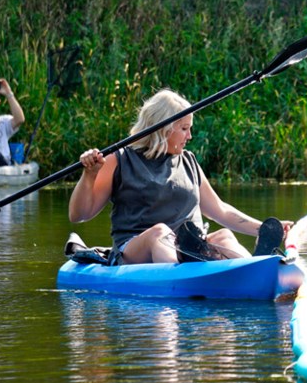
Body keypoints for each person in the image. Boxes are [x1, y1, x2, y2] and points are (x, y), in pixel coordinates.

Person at [68, 89, 294, 265]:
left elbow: (220, 211)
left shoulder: (188, 161)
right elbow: (79, 215)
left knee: (224, 236)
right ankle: (186, 267)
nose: (190, 135)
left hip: (189, 246)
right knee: (160, 233)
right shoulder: (119, 160)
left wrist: (263, 228)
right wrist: (89, 175)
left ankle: (256, 267)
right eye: (184, 129)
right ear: (164, 129)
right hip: (137, 250)